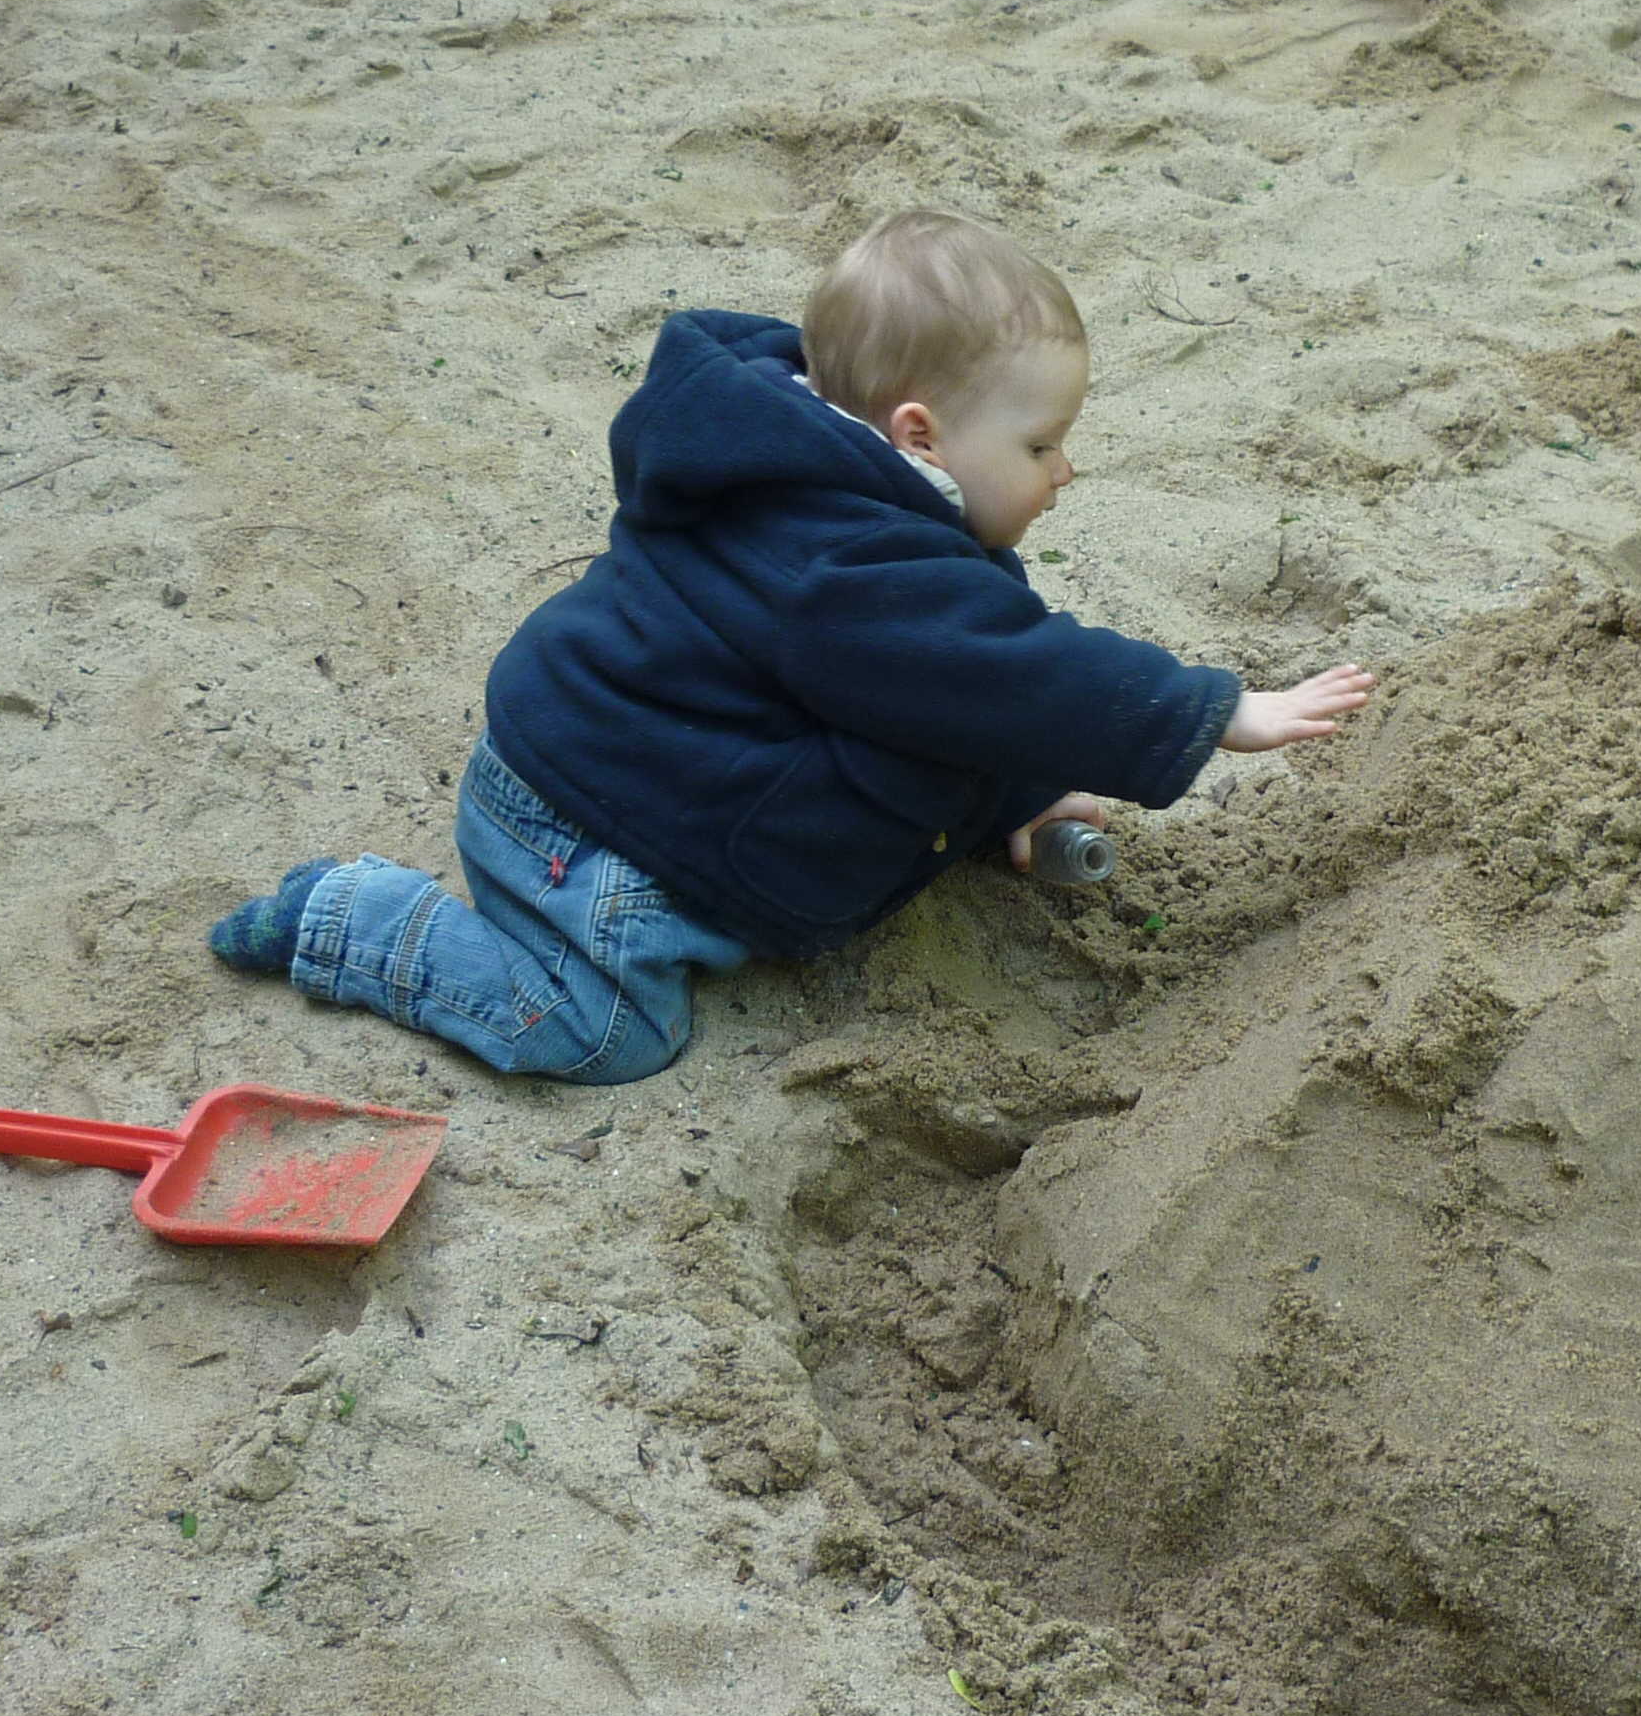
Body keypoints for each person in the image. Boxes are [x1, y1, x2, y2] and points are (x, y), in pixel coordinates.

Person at [208, 209, 1373, 1084]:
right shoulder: (838, 565)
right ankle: (356, 922)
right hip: (585, 823)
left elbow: (946, 684)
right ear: (921, 435)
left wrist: (1019, 795)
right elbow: (1003, 669)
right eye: (1039, 444)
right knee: (605, 1033)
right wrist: (1210, 711)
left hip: (635, 756)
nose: (1064, 470)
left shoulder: (868, 517)